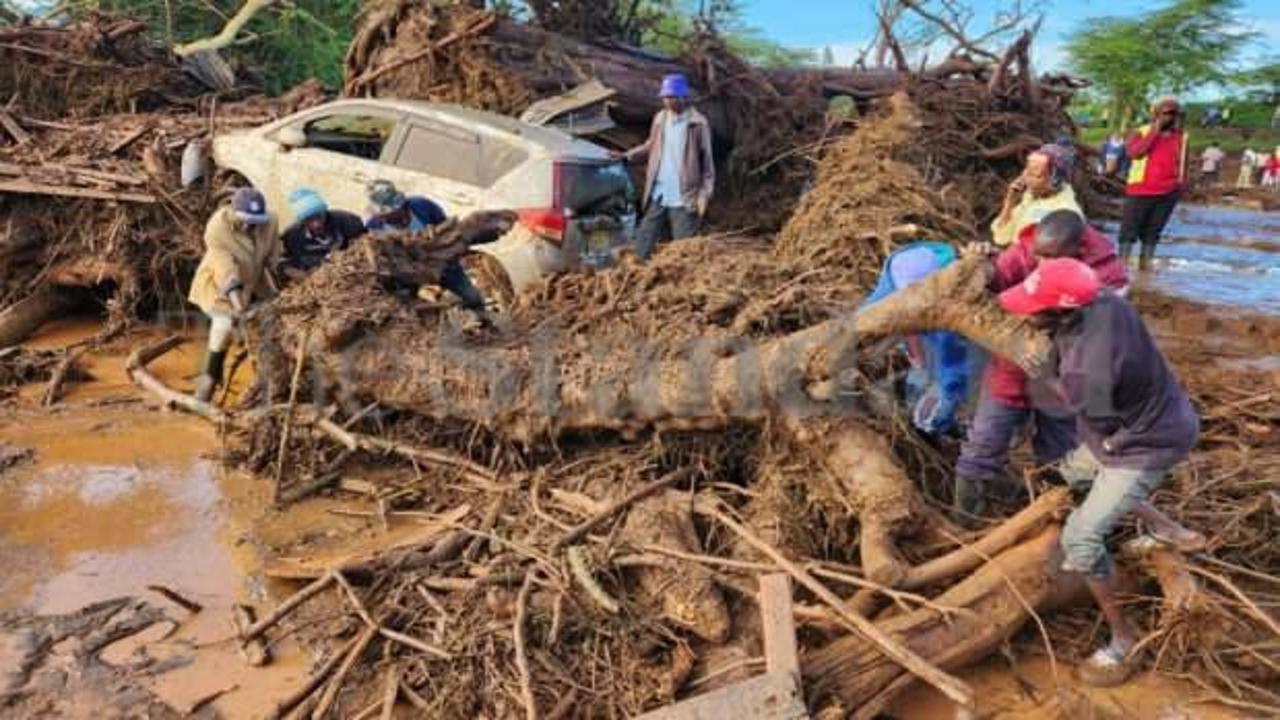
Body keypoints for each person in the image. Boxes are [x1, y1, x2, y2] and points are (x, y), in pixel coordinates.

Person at [996, 256, 1204, 687]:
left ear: (1060, 311)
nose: (1024, 312)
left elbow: (1081, 408)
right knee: (1076, 476)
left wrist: (1042, 373)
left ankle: (1123, 638)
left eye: (1032, 308)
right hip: (1157, 416)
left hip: (1144, 445)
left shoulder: (1086, 368)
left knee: (1081, 536)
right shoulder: (1105, 299)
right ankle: (1173, 531)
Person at [955, 210, 1128, 519]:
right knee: (983, 443)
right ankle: (965, 521)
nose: (1042, 265)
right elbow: (998, 277)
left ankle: (1052, 519)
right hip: (1011, 364)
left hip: (1067, 375)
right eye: (1040, 256)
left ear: (1078, 250)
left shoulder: (1107, 276)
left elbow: (1101, 338)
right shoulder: (1028, 247)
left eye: (1053, 259)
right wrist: (979, 265)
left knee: (1058, 456)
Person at [861, 242, 972, 436]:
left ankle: (944, 426)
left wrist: (938, 417)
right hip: (920, 339)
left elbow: (952, 371)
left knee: (941, 396)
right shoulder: (900, 267)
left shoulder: (947, 321)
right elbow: (864, 320)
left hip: (948, 348)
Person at [187, 188, 279, 402]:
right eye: (245, 220)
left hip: (251, 284)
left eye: (256, 222)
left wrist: (280, 290)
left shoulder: (271, 222)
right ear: (233, 213)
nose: (250, 226)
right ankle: (208, 380)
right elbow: (228, 274)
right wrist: (240, 311)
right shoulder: (217, 229)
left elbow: (273, 257)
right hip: (217, 286)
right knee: (225, 325)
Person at [617, 73, 715, 260]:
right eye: (664, 98)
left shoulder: (698, 124)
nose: (667, 102)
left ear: (683, 97)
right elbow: (650, 145)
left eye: (671, 97)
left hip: (684, 198)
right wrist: (626, 155)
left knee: (684, 251)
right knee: (642, 245)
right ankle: (638, 278)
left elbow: (708, 167)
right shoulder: (660, 119)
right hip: (659, 193)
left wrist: (704, 195)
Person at [363, 179, 488, 314]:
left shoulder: (421, 205)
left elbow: (448, 230)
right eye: (385, 215)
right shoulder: (374, 226)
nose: (390, 217)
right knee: (412, 310)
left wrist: (437, 236)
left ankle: (482, 319)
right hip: (409, 273)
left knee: (472, 296)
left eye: (394, 212)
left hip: (443, 264)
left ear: (402, 204)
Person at [1119, 97, 1188, 271]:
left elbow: (1183, 163)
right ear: (1156, 114)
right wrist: (1154, 131)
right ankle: (1121, 266)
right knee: (1129, 231)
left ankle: (1146, 265)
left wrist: (1180, 186)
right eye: (1166, 113)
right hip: (1140, 189)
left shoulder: (1182, 137)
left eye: (1174, 114)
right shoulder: (1141, 132)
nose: (1170, 118)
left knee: (1153, 233)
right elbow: (1135, 153)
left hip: (1168, 192)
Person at [991, 143, 1082, 247]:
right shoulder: (1031, 198)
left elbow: (1045, 255)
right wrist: (1009, 203)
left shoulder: (1065, 212)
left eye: (1035, 175)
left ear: (1055, 180)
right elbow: (1001, 238)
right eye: (1027, 171)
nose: (1027, 179)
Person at [280, 188, 366, 279]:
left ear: (325, 212)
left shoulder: (348, 221)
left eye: (319, 216)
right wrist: (306, 278)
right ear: (301, 221)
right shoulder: (293, 236)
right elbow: (285, 264)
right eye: (309, 220)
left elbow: (366, 244)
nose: (316, 224)